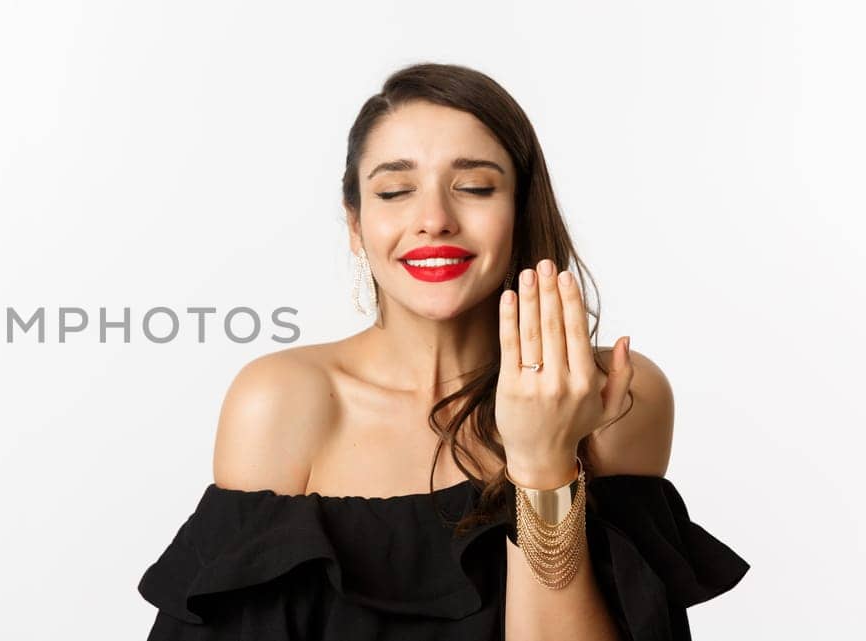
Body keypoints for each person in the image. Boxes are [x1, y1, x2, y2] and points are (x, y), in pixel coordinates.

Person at [136, 63, 749, 640]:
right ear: (355, 224)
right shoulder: (278, 401)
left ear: (521, 210)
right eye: (395, 191)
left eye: (475, 187)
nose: (434, 219)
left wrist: (542, 461)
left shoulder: (615, 395)